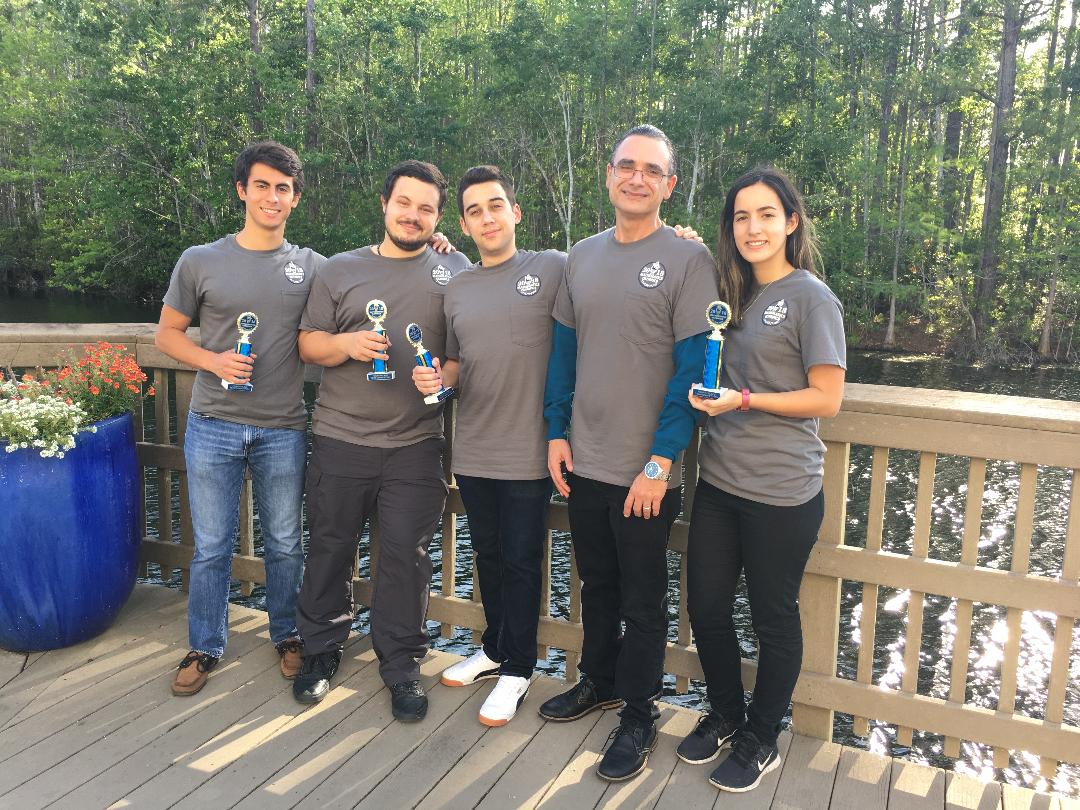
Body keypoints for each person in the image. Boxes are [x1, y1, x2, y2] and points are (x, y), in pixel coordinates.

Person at [540, 125, 720, 782]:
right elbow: (563, 353)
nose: (636, 177)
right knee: (598, 585)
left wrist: (661, 459)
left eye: (651, 169)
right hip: (584, 459)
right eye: (626, 166)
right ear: (609, 175)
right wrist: (556, 430)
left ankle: (639, 714)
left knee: (644, 601)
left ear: (669, 184)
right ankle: (600, 681)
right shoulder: (580, 257)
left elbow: (692, 370)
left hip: (645, 470)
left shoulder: (686, 260)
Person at [677, 166, 845, 793]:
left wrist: (744, 401)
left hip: (782, 492)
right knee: (707, 606)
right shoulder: (731, 291)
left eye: (767, 215)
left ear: (791, 222)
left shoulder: (811, 297)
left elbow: (827, 398)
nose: (754, 228)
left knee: (772, 618)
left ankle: (761, 735)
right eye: (741, 217)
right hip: (720, 483)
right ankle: (725, 712)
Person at [291, 160, 470, 722]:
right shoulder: (340, 270)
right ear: (385, 204)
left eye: (425, 208)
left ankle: (401, 666)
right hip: (340, 437)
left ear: (439, 218)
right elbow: (306, 346)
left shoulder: (455, 269)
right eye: (404, 203)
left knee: (404, 561)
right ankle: (321, 652)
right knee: (329, 548)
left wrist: (444, 378)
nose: (413, 215)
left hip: (416, 445)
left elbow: (463, 358)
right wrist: (345, 343)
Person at [156, 141, 322, 696]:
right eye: (262, 186)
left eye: (283, 188)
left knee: (284, 542)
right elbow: (166, 335)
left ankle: (288, 634)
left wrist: (441, 247)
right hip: (212, 422)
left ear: (294, 199)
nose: (272, 197)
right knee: (211, 545)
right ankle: (205, 645)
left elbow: (374, 271)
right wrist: (214, 360)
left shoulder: (313, 267)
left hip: (282, 427)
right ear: (242, 191)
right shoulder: (199, 260)